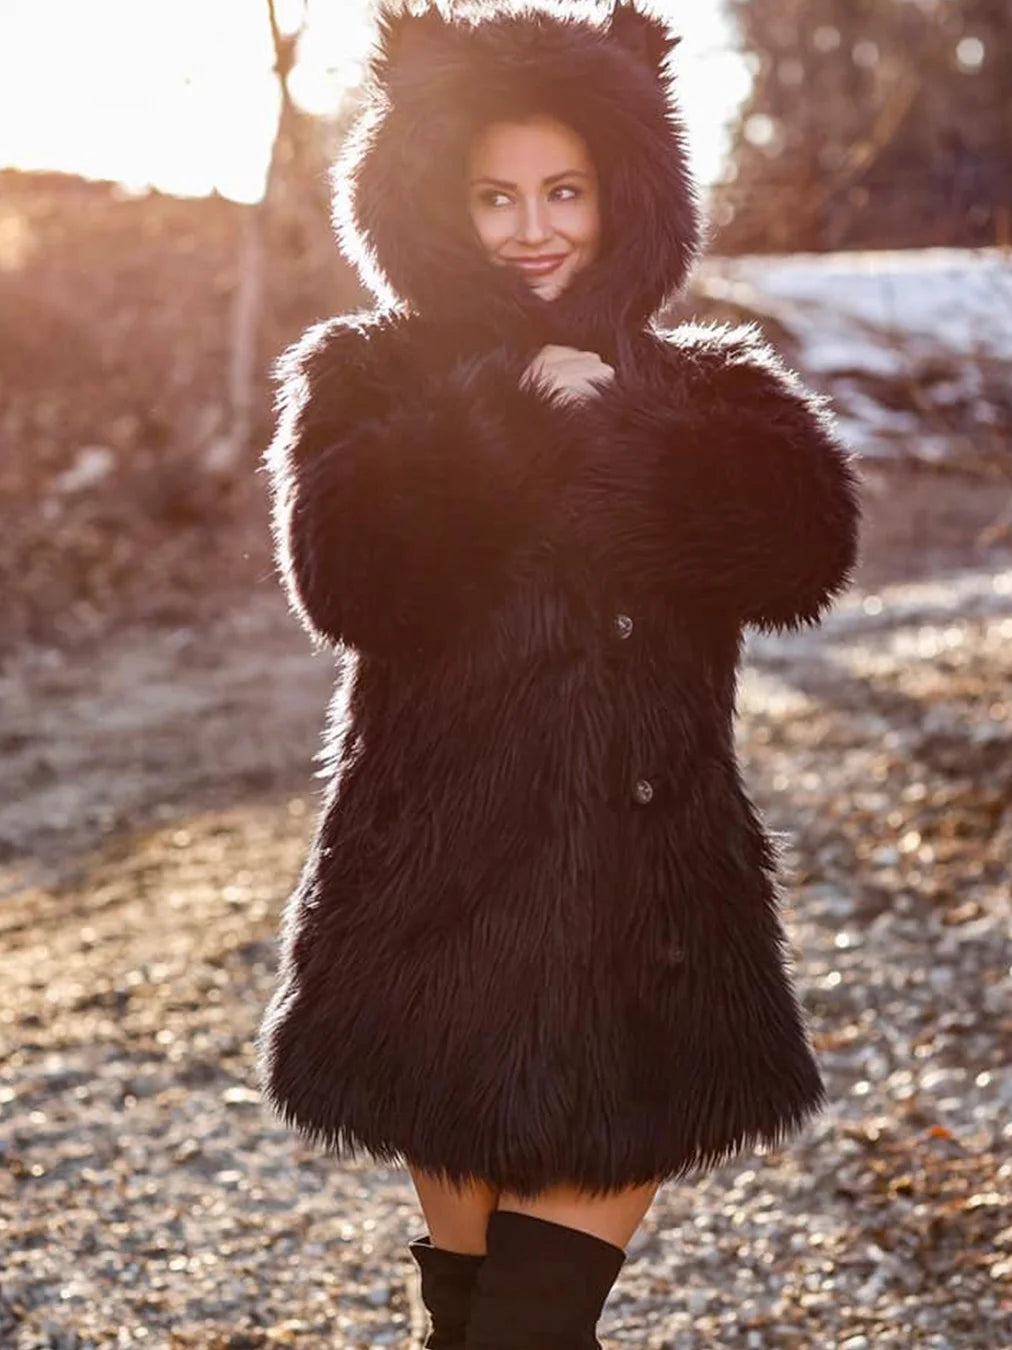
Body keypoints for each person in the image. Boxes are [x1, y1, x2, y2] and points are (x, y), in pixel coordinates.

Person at [254, 2, 864, 1347]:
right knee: (469, 1319)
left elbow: (803, 553)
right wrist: (506, 422)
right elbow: (341, 578)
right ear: (432, 202)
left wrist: (633, 430)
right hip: (436, 916)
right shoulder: (364, 377)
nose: (535, 226)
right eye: (494, 196)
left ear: (625, 192)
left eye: (566, 190)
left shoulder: (708, 389)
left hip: (645, 926)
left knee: (534, 1324)